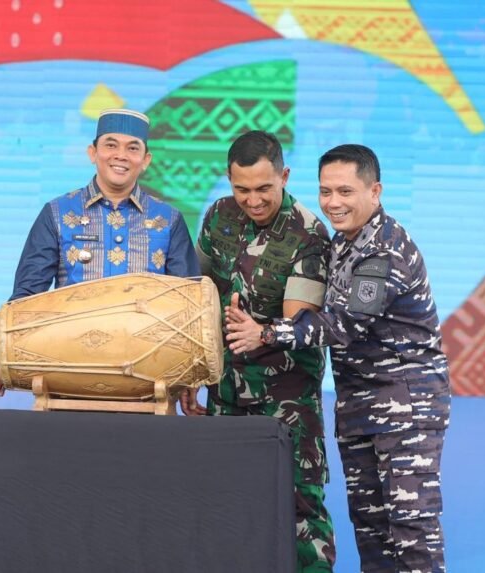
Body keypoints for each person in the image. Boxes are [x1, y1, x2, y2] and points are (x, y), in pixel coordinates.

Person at [225, 144, 451, 573]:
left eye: (345, 191)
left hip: (406, 408)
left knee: (411, 529)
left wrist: (265, 333)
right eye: (325, 191)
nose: (333, 203)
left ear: (375, 191)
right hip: (358, 406)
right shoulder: (344, 243)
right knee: (372, 530)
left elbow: (345, 325)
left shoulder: (383, 250)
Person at [179, 131, 336, 572]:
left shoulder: (308, 234)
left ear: (284, 176)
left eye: (264, 188)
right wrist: (190, 373)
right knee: (222, 504)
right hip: (224, 393)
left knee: (300, 509)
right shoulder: (219, 216)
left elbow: (300, 323)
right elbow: (196, 297)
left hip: (286, 400)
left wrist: (260, 333)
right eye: (242, 189)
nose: (253, 200)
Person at [10, 108, 199, 299]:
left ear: (146, 160)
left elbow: (189, 299)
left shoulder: (168, 219)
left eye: (133, 148)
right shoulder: (57, 213)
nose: (121, 155)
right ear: (92, 153)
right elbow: (26, 297)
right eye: (111, 145)